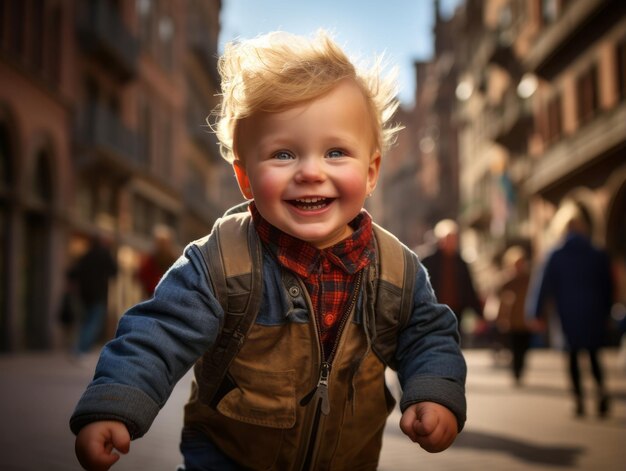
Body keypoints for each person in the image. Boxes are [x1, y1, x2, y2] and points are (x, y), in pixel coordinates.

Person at [70, 30, 467, 470]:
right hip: (228, 457)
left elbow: (427, 334)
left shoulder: (396, 269)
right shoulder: (221, 261)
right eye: (283, 155)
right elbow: (157, 333)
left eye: (336, 152)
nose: (311, 172)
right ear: (245, 178)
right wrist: (115, 404)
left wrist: (434, 390)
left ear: (371, 171)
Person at [527, 209, 613, 417]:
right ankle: (601, 392)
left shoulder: (555, 255)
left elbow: (542, 286)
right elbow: (609, 285)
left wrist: (535, 312)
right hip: (594, 312)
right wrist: (607, 311)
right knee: (594, 354)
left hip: (567, 313)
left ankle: (579, 400)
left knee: (573, 356)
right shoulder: (597, 253)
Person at [421, 219, 483, 346]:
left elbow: (469, 288)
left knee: (453, 342)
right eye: (448, 238)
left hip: (456, 310)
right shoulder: (428, 261)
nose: (451, 242)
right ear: (440, 240)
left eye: (454, 239)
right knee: (435, 342)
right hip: (434, 309)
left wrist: (479, 313)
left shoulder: (461, 262)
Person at [68, 229, 118, 357]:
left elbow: (72, 273)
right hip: (99, 294)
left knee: (86, 321)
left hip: (85, 295)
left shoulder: (86, 255)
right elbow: (114, 271)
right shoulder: (104, 254)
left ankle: (80, 348)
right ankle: (80, 350)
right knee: (93, 322)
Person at [494, 245, 533, 385]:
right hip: (511, 320)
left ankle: (520, 368)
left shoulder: (529, 278)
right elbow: (497, 297)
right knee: (514, 347)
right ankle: (515, 371)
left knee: (524, 347)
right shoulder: (505, 280)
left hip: (525, 319)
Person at [136, 225, 177, 298]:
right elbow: (141, 276)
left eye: (164, 243)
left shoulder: (175, 260)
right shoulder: (150, 259)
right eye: (160, 242)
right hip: (152, 295)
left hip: (169, 296)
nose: (162, 245)